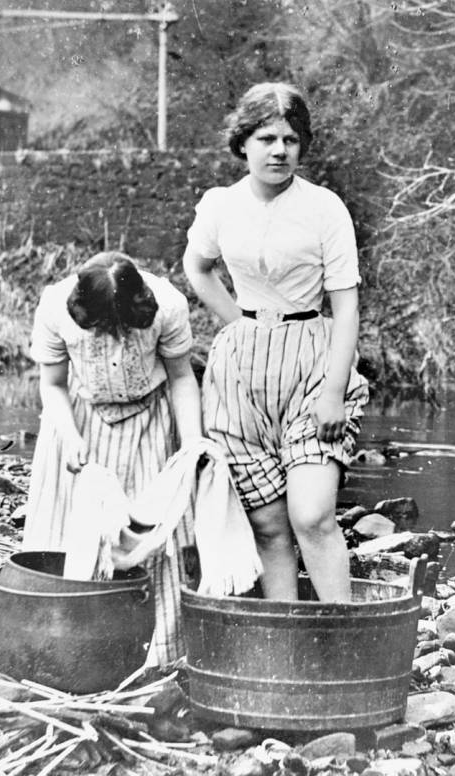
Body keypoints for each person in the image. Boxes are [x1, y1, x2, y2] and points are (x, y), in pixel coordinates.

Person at [182, 82, 369, 602]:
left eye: (290, 138)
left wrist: (334, 389)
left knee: (312, 515)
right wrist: (237, 321)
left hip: (312, 358)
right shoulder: (220, 205)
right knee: (268, 527)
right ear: (243, 143)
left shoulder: (325, 208)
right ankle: (286, 637)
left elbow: (347, 305)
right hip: (241, 372)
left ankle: (342, 639)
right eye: (266, 137)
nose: (279, 150)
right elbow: (196, 267)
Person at [23, 251, 202, 666]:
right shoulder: (55, 306)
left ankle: (159, 657)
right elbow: (52, 385)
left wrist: (191, 446)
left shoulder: (168, 305)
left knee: (156, 539)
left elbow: (181, 378)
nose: (118, 337)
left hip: (150, 421)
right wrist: (69, 436)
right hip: (81, 423)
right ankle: (68, 649)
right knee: (67, 536)